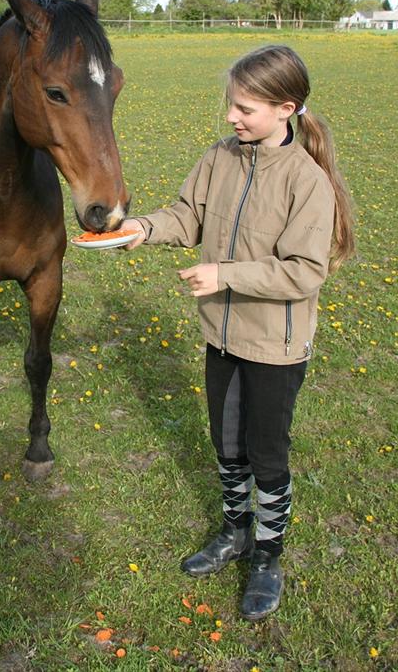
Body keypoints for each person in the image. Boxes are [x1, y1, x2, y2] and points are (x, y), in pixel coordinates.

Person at [119, 44, 355, 621]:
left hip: (275, 346)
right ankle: (235, 532)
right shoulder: (220, 157)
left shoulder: (306, 181)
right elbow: (188, 216)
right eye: (231, 104)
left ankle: (268, 557)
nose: (231, 117)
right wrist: (141, 228)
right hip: (221, 337)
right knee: (227, 447)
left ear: (285, 109)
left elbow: (305, 271)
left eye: (245, 108)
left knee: (266, 455)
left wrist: (225, 274)